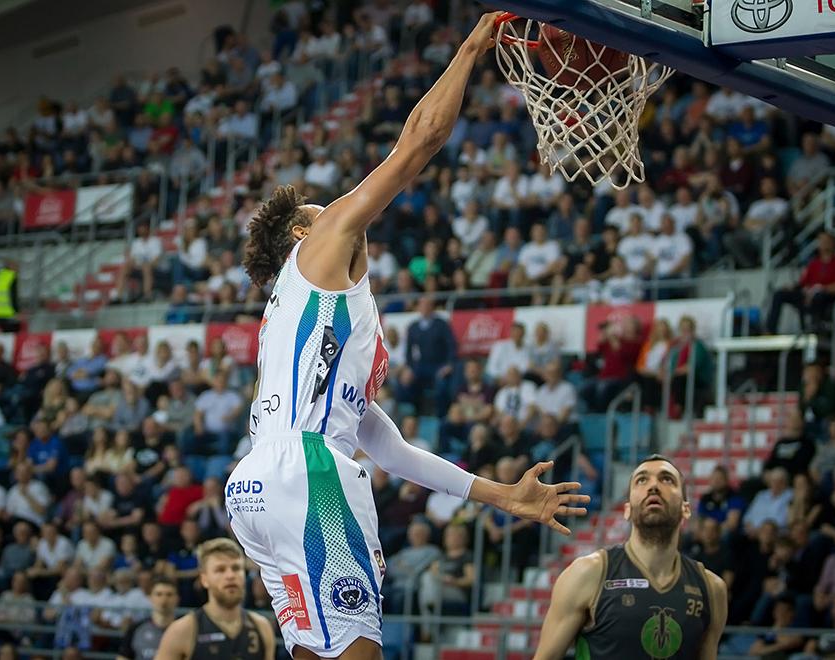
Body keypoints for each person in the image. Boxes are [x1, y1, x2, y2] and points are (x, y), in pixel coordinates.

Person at [231, 13, 590, 660]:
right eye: (319, 210)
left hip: (258, 485)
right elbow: (419, 142)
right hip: (308, 473)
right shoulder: (318, 250)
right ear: (301, 233)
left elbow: (389, 449)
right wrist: (472, 46)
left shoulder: (301, 324)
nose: (336, 210)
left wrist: (500, 494)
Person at [532, 455, 727, 660]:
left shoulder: (712, 589)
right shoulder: (588, 574)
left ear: (685, 509)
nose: (653, 486)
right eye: (642, 480)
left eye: (666, 479)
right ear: (627, 510)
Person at [156, 539, 274, 660]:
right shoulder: (183, 631)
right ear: (204, 579)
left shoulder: (261, 627)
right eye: (220, 570)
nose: (230, 576)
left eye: (236, 568)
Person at [116, 576, 179, 660]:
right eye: (159, 594)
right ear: (150, 598)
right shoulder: (136, 629)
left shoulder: (186, 629)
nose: (164, 599)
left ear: (177, 599)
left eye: (169, 594)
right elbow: (122, 657)